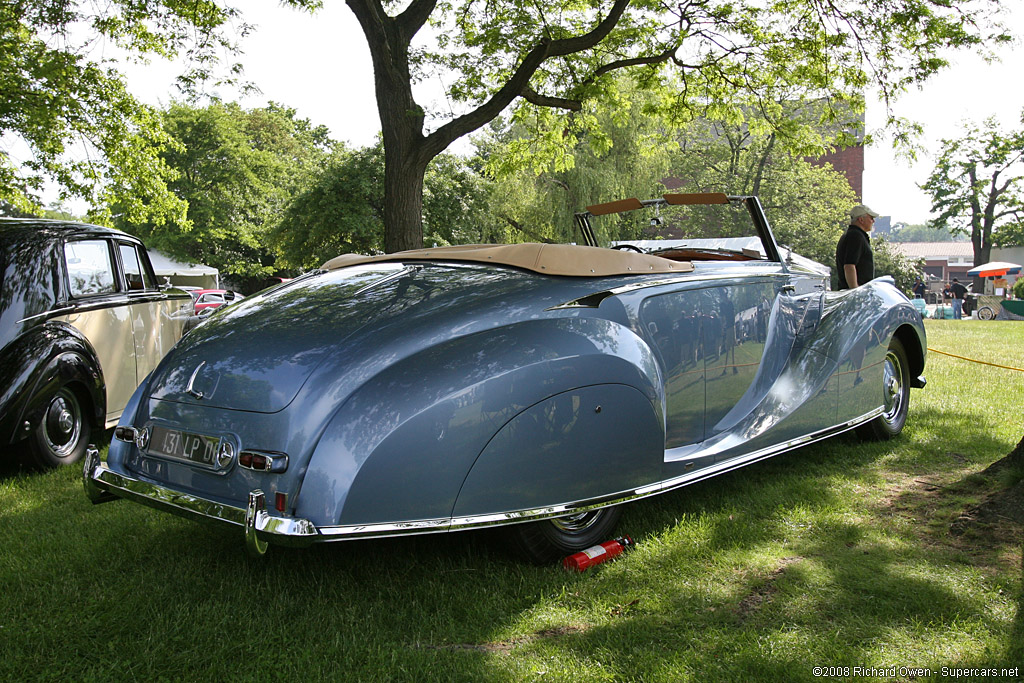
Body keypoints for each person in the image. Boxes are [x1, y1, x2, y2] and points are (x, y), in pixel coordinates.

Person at [835, 204, 879, 289]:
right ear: (861, 220)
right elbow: (849, 266)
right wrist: (855, 290)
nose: (873, 221)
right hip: (855, 293)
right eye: (871, 218)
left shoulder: (852, 234)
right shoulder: (855, 236)